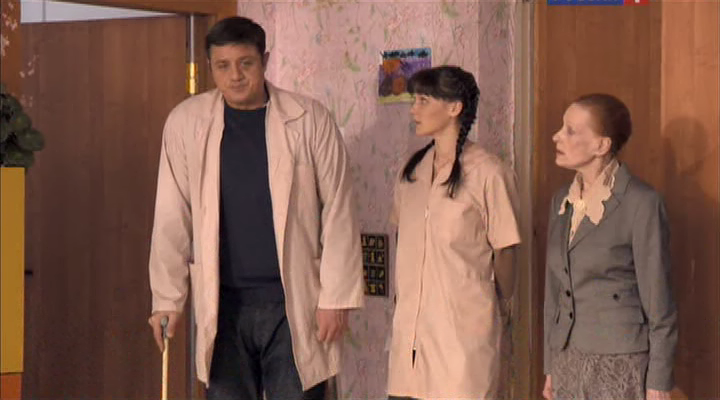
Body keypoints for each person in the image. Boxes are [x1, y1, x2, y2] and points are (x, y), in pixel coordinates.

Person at [146, 16, 364, 400]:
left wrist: (336, 299)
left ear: (264, 60)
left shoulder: (309, 119)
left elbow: (339, 210)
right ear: (210, 66)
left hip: (293, 300)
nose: (235, 76)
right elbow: (170, 216)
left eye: (245, 63)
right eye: (223, 66)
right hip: (223, 302)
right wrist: (167, 299)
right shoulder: (186, 123)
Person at [387, 66, 521, 399]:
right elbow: (404, 241)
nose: (413, 110)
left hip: (463, 340)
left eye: (423, 100)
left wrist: (499, 304)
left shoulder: (489, 172)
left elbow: (506, 250)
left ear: (454, 107)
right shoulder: (411, 172)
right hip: (410, 342)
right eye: (414, 100)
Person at [542, 94, 677, 400]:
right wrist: (550, 364)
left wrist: (659, 380)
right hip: (567, 358)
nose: (557, 136)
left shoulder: (642, 202)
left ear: (602, 145)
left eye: (570, 131)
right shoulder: (561, 200)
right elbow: (554, 291)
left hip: (621, 361)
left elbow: (660, 303)